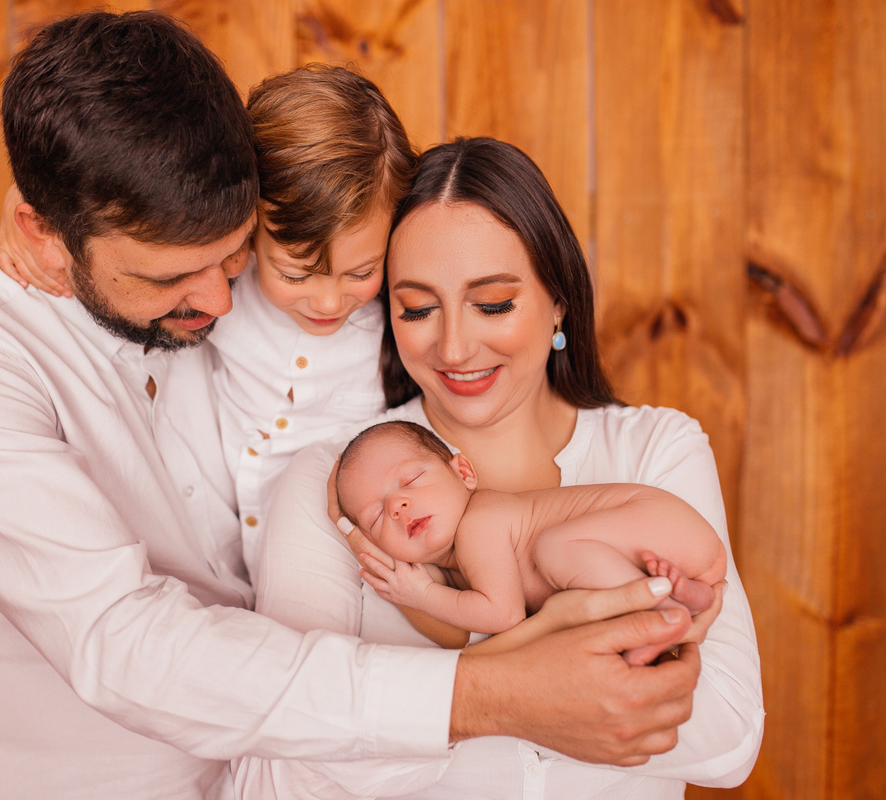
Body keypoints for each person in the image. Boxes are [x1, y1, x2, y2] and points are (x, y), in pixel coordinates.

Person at [0, 10, 714, 799]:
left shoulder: (230, 270)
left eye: (238, 255)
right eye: (171, 278)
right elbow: (120, 643)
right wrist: (489, 692)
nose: (219, 303)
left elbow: (349, 176)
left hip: (269, 772)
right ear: (37, 231)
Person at [235, 138, 763, 799]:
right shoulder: (339, 483)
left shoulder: (656, 449)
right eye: (418, 309)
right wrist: (522, 685)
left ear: (559, 301)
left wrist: (415, 708)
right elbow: (294, 765)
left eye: (492, 304)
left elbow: (729, 740)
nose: (454, 346)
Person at [0, 64, 417, 584]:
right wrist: (21, 196)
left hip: (360, 566)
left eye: (361, 272)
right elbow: (149, 173)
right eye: (297, 273)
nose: (330, 300)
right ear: (251, 226)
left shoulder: (400, 323)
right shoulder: (225, 286)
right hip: (242, 574)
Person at [335, 420, 725, 664]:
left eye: (410, 481)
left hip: (659, 520)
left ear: (464, 472)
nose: (399, 506)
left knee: (555, 548)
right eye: (377, 515)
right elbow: (459, 630)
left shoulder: (480, 521)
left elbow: (504, 616)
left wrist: (420, 595)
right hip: (671, 549)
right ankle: (684, 597)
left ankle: (659, 611)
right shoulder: (456, 570)